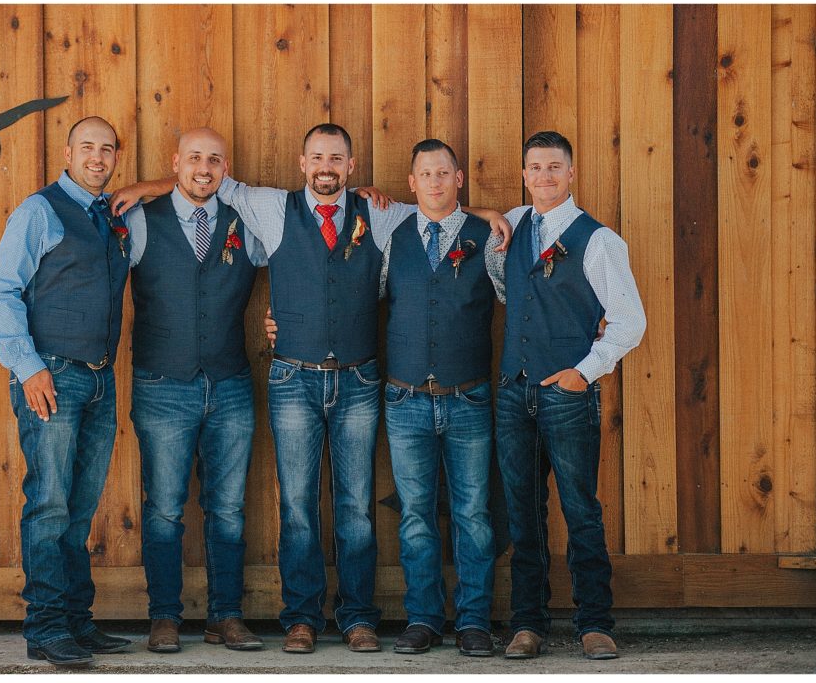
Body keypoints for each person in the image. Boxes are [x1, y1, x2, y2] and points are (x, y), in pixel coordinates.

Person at [112, 123, 510, 655]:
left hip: (359, 379)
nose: (326, 167)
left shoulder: (379, 214)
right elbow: (205, 181)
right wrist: (146, 187)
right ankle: (301, 618)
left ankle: (358, 617)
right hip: (292, 379)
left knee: (356, 508)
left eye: (336, 158)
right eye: (317, 157)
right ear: (303, 163)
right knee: (297, 506)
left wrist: (486, 214)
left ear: (351, 165)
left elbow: (438, 211)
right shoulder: (272, 207)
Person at [0, 116, 132, 667]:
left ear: (116, 156)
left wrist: (147, 186)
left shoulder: (113, 214)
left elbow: (183, 183)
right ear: (67, 153)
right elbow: (2, 291)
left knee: (80, 507)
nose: (97, 157)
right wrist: (28, 368)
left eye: (107, 149)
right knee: (48, 503)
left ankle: (76, 621)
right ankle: (46, 627)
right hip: (51, 375)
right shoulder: (39, 211)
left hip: (99, 377)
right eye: (87, 147)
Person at [495, 130, 646, 661]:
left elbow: (630, 321)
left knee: (580, 509)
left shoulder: (598, 240)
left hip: (567, 393)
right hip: (513, 391)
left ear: (572, 173)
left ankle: (594, 624)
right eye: (535, 167)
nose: (545, 176)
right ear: (524, 174)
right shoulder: (512, 223)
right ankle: (527, 624)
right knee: (522, 512)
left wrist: (584, 372)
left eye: (554, 167)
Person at [122, 128, 268, 653]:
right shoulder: (140, 220)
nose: (203, 169)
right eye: (194, 159)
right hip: (162, 384)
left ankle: (225, 616)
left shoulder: (247, 221)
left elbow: (302, 251)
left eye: (214, 160)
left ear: (226, 168)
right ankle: (164, 617)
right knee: (164, 508)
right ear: (175, 162)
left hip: (230, 383)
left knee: (228, 509)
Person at [379, 139, 503, 657]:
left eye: (443, 173)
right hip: (404, 399)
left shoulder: (488, 237)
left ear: (458, 179)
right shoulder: (390, 235)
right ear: (412, 183)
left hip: (467, 396)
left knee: (473, 513)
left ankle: (473, 620)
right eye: (425, 174)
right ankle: (423, 619)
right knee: (415, 515)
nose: (434, 182)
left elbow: (518, 299)